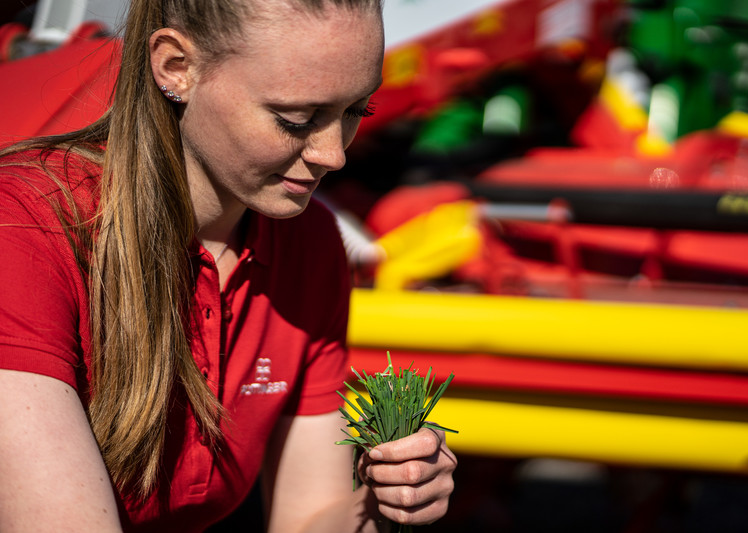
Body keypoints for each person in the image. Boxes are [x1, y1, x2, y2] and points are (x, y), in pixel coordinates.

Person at [0, 0, 457, 531]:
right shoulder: (26, 229)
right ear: (177, 68)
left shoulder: (307, 245)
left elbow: (306, 518)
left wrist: (382, 505)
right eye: (297, 119)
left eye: (357, 111)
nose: (335, 155)